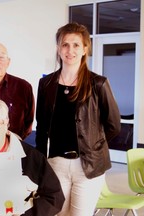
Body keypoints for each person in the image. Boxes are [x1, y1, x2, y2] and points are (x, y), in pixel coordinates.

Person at [35, 22, 121, 216]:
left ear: (84, 49)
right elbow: (41, 126)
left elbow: (113, 125)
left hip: (88, 165)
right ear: (58, 49)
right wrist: (41, 163)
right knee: (57, 213)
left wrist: (93, 145)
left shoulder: (98, 83)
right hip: (56, 163)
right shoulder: (46, 84)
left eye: (76, 45)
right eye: (65, 44)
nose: (70, 50)